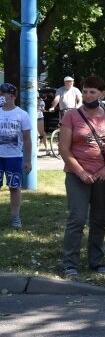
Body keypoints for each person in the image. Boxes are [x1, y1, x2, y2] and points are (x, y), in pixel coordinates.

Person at [60, 76, 105, 277]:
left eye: (93, 92)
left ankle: (96, 260)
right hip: (77, 175)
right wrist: (80, 172)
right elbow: (64, 149)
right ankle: (70, 262)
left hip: (103, 177)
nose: (88, 95)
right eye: (85, 91)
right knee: (77, 218)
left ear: (102, 94)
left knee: (98, 219)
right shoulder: (72, 116)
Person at [0, 84, 32, 229]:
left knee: (14, 187)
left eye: (3, 93)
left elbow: (26, 139)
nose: (1, 96)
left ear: (12, 96)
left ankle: (15, 217)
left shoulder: (22, 114)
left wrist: (28, 160)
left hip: (14, 157)